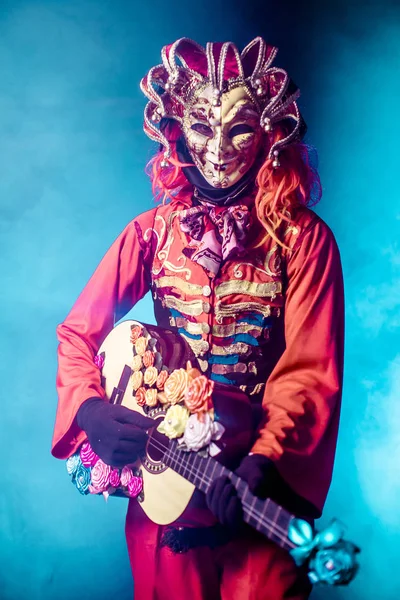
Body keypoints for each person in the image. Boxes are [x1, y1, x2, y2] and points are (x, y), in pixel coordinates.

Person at [51, 37, 344, 600]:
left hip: (255, 487)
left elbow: (311, 370)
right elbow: (77, 333)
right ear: (176, 130)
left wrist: (264, 462)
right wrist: (90, 408)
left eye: (238, 126)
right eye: (202, 126)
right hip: (165, 488)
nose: (217, 147)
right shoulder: (150, 232)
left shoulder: (303, 241)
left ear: (270, 132)